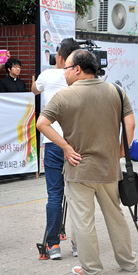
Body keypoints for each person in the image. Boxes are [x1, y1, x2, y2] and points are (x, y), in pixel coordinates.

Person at [36, 49, 137, 275]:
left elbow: (42, 123)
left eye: (66, 69)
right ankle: (128, 262)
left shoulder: (64, 96)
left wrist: (65, 147)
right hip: (109, 169)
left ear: (78, 69)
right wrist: (119, 153)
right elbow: (129, 125)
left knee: (83, 221)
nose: (64, 74)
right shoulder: (116, 91)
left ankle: (91, 269)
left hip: (79, 168)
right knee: (116, 217)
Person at [32, 37, 80, 259]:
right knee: (78, 196)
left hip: (52, 143)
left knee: (54, 195)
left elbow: (34, 90)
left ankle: (52, 246)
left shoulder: (47, 75)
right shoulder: (81, 78)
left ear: (59, 56)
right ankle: (79, 244)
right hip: (76, 144)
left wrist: (50, 69)